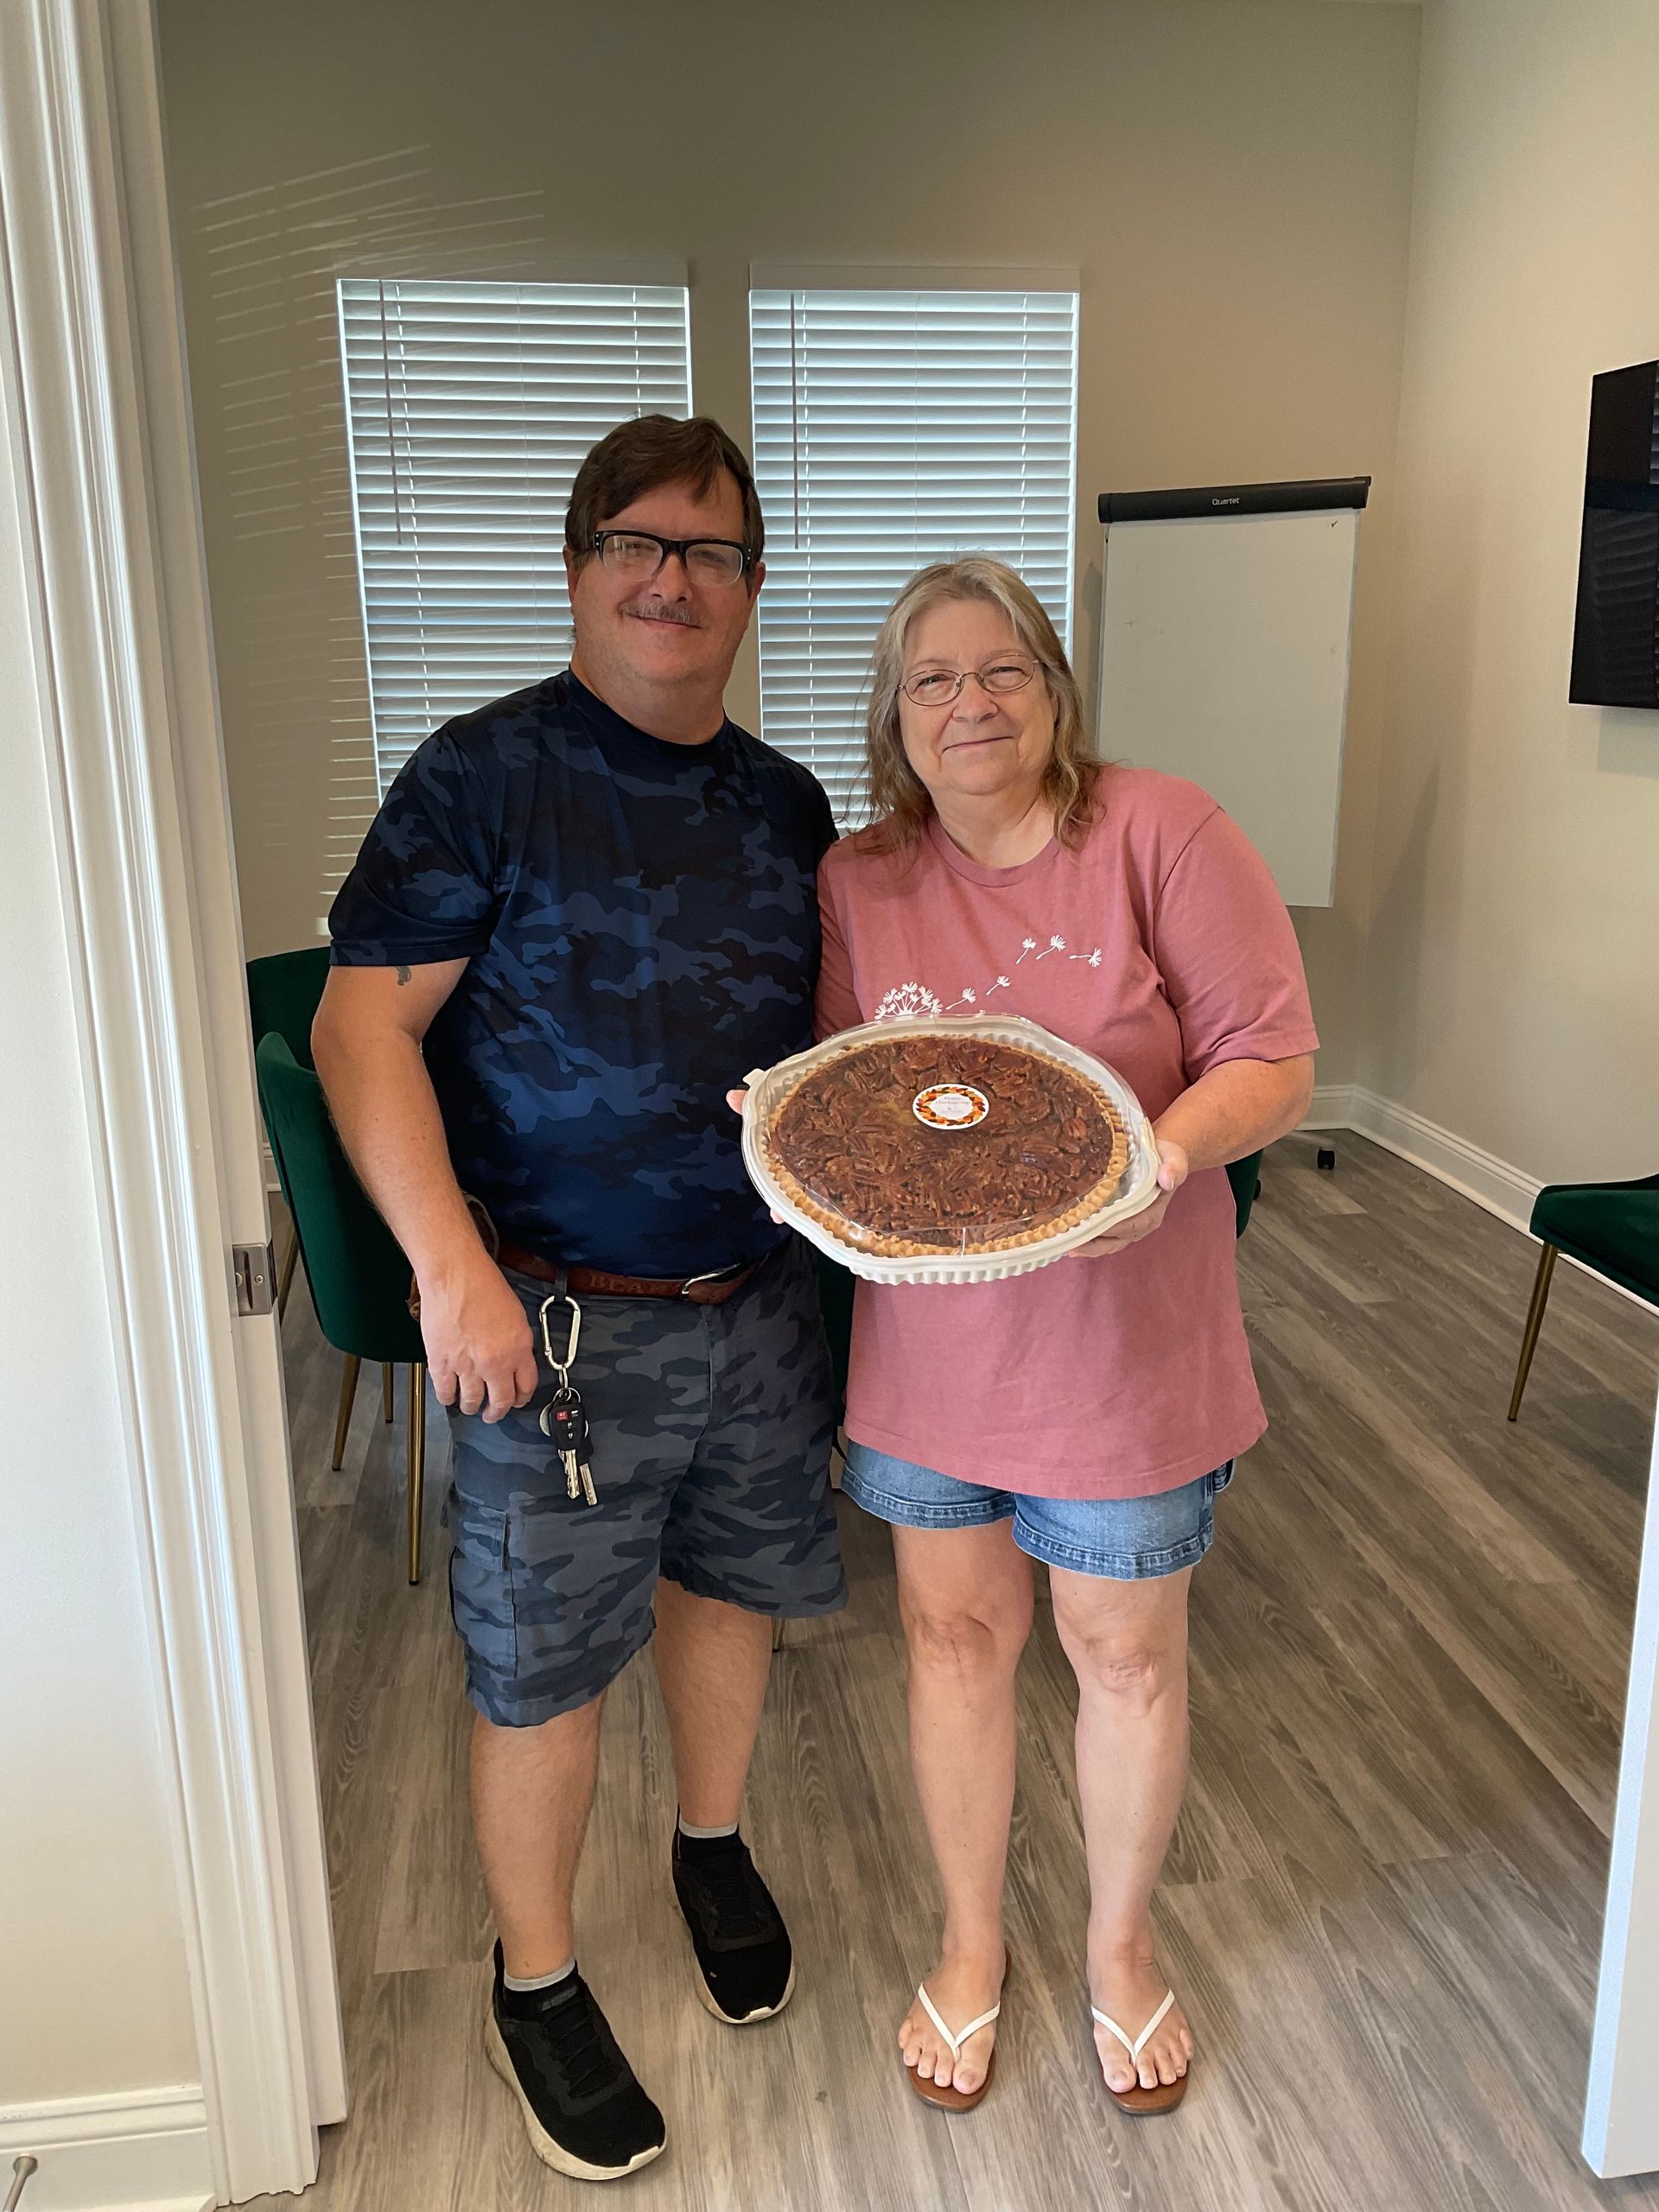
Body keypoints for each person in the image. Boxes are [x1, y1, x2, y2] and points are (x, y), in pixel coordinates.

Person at [311, 414, 846, 2183]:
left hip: (759, 1297)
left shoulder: (786, 804)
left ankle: (709, 1838)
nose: (668, 576)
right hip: (548, 1315)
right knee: (541, 1669)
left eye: (708, 550)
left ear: (751, 590)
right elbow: (357, 1026)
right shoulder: (482, 774)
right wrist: (449, 1268)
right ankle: (535, 1978)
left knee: (732, 1584)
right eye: (636, 539)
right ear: (579, 564)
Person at [817, 556, 1317, 2116]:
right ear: (894, 720)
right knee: (954, 1644)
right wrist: (793, 1123)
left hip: (1124, 1352)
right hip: (931, 1360)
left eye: (1001, 670)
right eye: (931, 681)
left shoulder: (1162, 830)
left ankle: (1116, 1947)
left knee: (1127, 1658)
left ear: (1053, 687)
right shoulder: (859, 880)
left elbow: (1275, 1059)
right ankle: (972, 1944)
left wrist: (1157, 1162)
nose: (969, 705)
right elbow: (852, 1088)